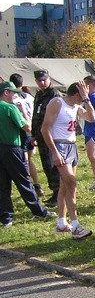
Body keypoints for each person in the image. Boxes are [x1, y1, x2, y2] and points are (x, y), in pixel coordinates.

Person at [40, 81, 95, 239]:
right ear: (77, 93)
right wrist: (55, 152)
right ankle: (76, 225)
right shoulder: (58, 103)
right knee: (72, 183)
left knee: (65, 186)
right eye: (83, 94)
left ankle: (61, 222)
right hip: (60, 146)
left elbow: (91, 118)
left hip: (72, 146)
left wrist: (86, 100)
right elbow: (45, 128)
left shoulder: (77, 106)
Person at [0, 81, 53, 227]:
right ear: (6, 92)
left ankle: (6, 217)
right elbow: (26, 126)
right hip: (12, 148)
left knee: (3, 185)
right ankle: (38, 211)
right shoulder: (10, 108)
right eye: (13, 92)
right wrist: (22, 109)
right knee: (24, 181)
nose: (15, 95)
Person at [31, 69, 62, 207]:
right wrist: (33, 134)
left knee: (53, 164)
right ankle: (54, 190)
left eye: (44, 80)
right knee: (46, 165)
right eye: (39, 81)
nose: (42, 83)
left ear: (49, 79)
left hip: (52, 134)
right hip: (41, 135)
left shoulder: (54, 94)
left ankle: (58, 192)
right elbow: (35, 116)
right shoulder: (38, 95)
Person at [9, 73, 42, 198]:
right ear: (22, 84)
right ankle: (36, 185)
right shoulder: (29, 96)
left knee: (21, 162)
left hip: (21, 131)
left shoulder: (14, 99)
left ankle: (27, 188)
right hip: (31, 130)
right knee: (28, 160)